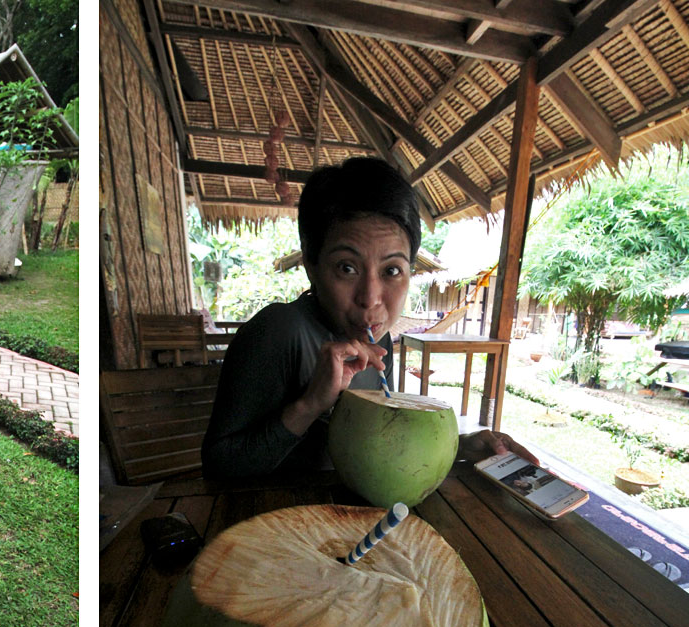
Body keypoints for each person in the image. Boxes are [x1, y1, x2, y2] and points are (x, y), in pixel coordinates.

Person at [201, 156, 537, 480]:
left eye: (392, 270)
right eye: (347, 268)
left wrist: (461, 447)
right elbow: (218, 465)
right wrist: (310, 404)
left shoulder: (380, 343)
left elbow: (380, 444)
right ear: (311, 265)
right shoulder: (279, 331)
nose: (371, 298)